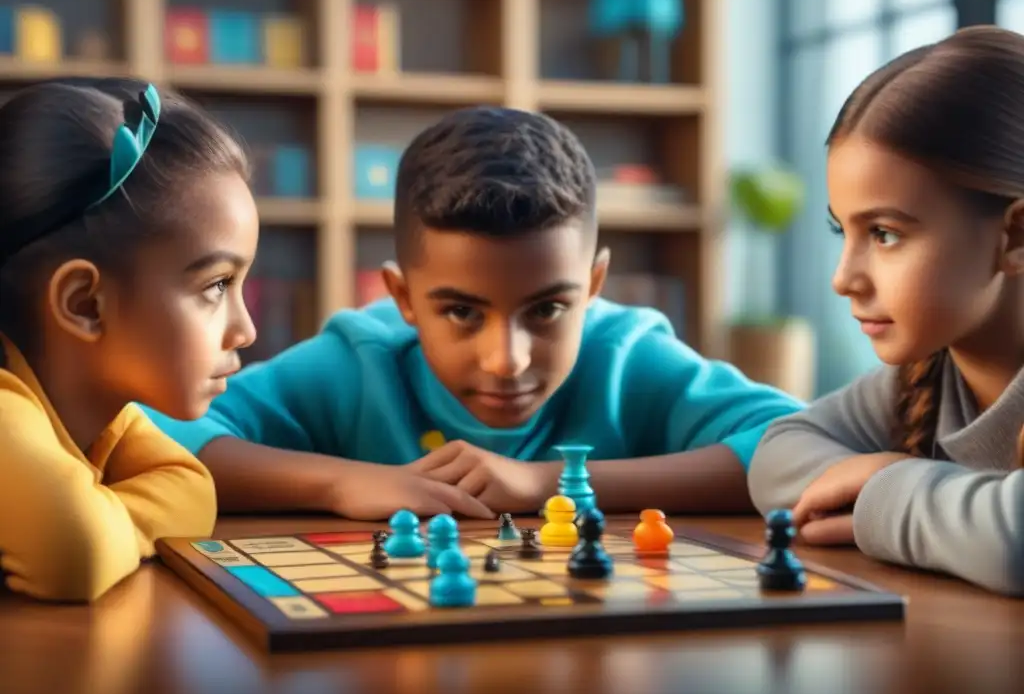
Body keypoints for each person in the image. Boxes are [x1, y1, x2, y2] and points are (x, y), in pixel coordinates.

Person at [146, 106, 803, 521]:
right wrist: (343, 484)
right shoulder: (356, 363)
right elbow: (144, 434)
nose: (506, 358)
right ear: (402, 298)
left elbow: (796, 446)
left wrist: (552, 481)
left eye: (547, 308)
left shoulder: (627, 356)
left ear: (594, 284)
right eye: (462, 312)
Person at [748, 26, 1024, 596]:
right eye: (841, 230)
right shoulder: (928, 377)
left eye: (885, 233)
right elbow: (776, 455)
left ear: (1015, 236)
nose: (843, 278)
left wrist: (884, 485)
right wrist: (922, 499)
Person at [0, 78, 258, 602]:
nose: (246, 330)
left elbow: (192, 485)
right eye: (215, 286)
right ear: (84, 304)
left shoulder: (105, 415)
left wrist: (112, 517)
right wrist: (126, 520)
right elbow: (75, 550)